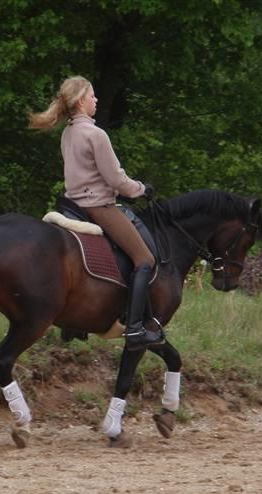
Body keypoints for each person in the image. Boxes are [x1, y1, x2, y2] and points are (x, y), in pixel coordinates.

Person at [29, 75, 163, 350]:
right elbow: (116, 179)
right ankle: (136, 328)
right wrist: (141, 189)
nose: (96, 100)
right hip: (99, 208)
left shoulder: (68, 133)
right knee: (145, 259)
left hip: (72, 206)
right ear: (81, 101)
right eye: (92, 96)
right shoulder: (95, 134)